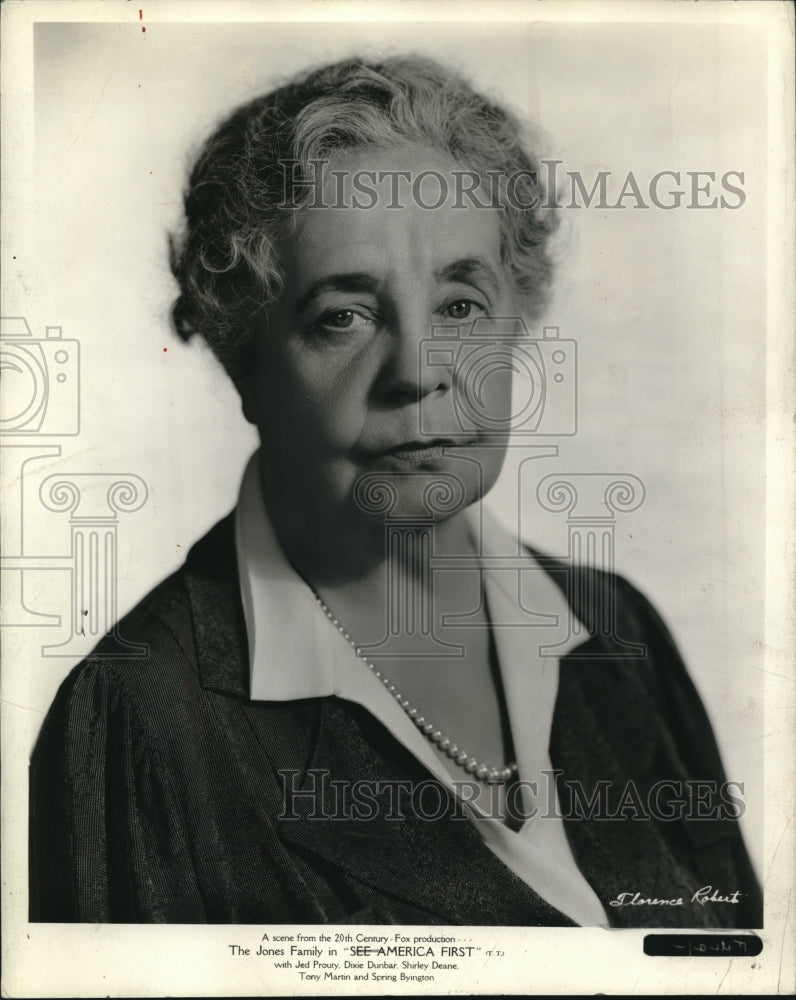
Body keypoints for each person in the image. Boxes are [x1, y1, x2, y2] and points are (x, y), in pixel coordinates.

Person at [29, 54, 761, 926]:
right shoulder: (137, 722)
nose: (420, 371)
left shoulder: (615, 630)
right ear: (246, 364)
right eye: (343, 315)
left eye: (459, 305)